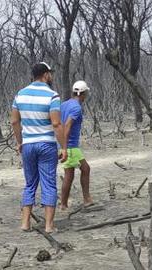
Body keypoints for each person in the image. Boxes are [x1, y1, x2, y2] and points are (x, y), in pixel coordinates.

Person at [11, 62, 67, 233]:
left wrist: (20, 142)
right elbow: (56, 123)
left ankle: (25, 223)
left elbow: (14, 121)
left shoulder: (20, 95)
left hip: (28, 144)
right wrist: (63, 147)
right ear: (45, 75)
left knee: (30, 184)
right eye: (50, 73)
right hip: (46, 144)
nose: (51, 76)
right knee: (49, 183)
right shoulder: (52, 96)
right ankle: (49, 225)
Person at [59, 80, 92, 210]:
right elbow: (67, 125)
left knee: (75, 172)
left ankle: (66, 203)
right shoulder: (76, 108)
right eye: (86, 93)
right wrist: (65, 147)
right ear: (82, 94)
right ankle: (82, 200)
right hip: (70, 146)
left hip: (66, 144)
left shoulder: (64, 104)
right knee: (80, 171)